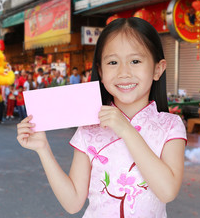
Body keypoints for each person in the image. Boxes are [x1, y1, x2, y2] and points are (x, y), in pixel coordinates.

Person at [16, 17, 187, 217]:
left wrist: (125, 129)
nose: (124, 72)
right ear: (100, 71)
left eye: (135, 61)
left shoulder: (170, 125)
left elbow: (167, 191)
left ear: (158, 69)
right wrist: (43, 149)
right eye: (113, 62)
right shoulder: (89, 128)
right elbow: (73, 203)